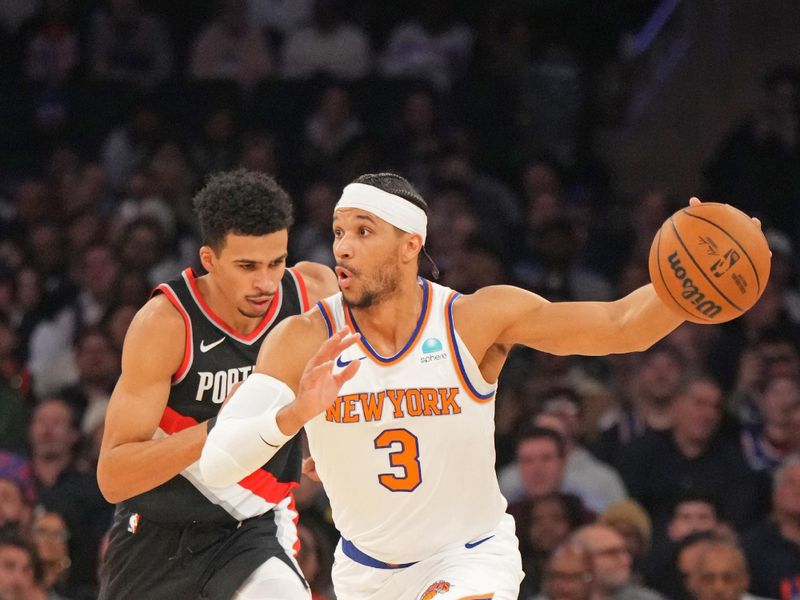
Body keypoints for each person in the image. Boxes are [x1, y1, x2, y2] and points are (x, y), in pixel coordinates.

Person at [200, 173, 762, 599]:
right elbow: (221, 464)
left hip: (469, 556)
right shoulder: (303, 338)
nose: (342, 247)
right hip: (365, 570)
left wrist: (686, 278)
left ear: (409, 244)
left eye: (363, 231)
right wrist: (296, 413)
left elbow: (619, 327)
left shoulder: (474, 319)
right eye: (339, 232)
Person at [97, 169, 339, 599]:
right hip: (158, 531)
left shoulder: (312, 295)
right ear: (209, 259)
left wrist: (335, 441)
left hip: (254, 527)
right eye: (247, 266)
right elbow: (114, 476)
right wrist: (222, 430)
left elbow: (358, 377)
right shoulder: (166, 324)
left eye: (276, 262)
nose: (266, 282)